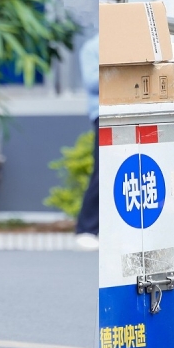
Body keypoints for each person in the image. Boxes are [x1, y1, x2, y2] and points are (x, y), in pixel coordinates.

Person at [75, 32, 100, 249]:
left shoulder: (125, 42)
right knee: (102, 171)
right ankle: (86, 228)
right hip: (103, 114)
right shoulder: (93, 47)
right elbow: (91, 82)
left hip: (127, 111)